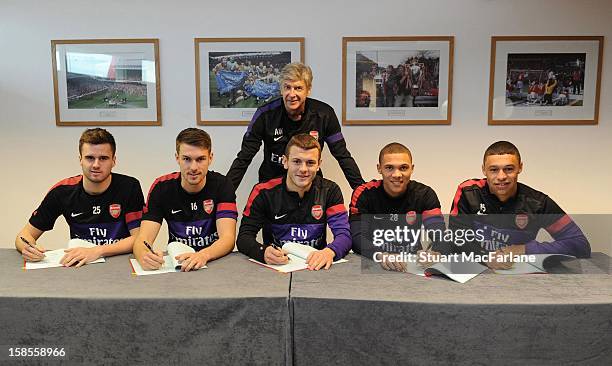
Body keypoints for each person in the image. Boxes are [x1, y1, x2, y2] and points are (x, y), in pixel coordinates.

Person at [449, 141, 590, 269]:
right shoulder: (468, 192)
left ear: (520, 168)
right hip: (474, 274)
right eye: (493, 170)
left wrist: (524, 249)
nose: (501, 176)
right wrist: (485, 258)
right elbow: (457, 238)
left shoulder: (537, 203)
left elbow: (580, 244)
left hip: (517, 276)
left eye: (509, 169)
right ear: (484, 170)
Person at [15, 128, 145, 267]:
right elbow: (24, 235)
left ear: (113, 160)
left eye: (103, 158)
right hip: (81, 267)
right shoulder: (62, 191)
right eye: (90, 158)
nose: (96, 164)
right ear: (80, 160)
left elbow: (139, 238)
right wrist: (28, 248)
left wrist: (97, 251)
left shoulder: (130, 187)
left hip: (120, 263)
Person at [227, 62, 364, 191]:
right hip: (272, 187)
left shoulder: (324, 114)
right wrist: (225, 193)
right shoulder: (264, 114)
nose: (292, 94)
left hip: (310, 186)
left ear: (308, 90)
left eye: (298, 88)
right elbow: (244, 157)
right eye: (287, 87)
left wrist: (361, 190)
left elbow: (342, 155)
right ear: (281, 89)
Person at [237, 134, 351, 271]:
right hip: (277, 267)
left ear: (319, 164)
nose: (303, 169)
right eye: (296, 161)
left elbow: (345, 235)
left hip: (316, 268)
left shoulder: (330, 190)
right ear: (285, 162)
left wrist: (329, 252)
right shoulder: (262, 192)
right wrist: (262, 252)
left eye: (310, 163)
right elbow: (244, 237)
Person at [133, 128, 237, 271]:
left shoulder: (223, 185)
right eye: (187, 159)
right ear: (177, 158)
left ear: (210, 158)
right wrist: (144, 256)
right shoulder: (161, 187)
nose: (193, 167)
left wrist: (202, 255)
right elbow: (143, 239)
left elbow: (228, 239)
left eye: (200, 159)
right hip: (179, 265)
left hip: (214, 261)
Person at [349, 143, 452, 271]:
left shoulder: (425, 194)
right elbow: (357, 237)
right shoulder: (363, 194)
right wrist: (380, 255)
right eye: (389, 168)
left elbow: (440, 234)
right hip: (374, 263)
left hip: (411, 267)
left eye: (403, 168)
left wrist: (437, 253)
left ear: (412, 168)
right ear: (379, 168)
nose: (397, 174)